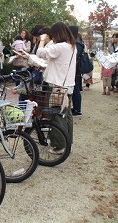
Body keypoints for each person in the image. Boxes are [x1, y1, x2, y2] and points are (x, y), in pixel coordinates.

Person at [36, 22, 76, 154]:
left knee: (57, 115)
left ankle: (59, 145)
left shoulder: (59, 47)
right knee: (67, 114)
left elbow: (39, 52)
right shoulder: (71, 46)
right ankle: (67, 141)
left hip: (57, 86)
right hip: (68, 85)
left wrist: (42, 40)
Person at [68, 26, 83, 117]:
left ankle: (77, 109)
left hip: (76, 70)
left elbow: (75, 57)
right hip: (75, 69)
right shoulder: (77, 41)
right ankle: (76, 108)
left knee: (76, 90)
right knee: (75, 89)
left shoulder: (77, 43)